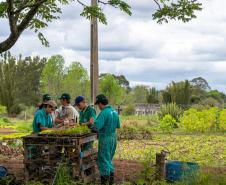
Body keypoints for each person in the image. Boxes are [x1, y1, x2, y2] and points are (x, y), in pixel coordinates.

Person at [89, 94, 120, 185]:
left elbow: (96, 127)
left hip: (105, 139)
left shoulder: (104, 112)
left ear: (100, 103)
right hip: (113, 138)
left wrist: (91, 123)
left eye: (98, 104)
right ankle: (111, 182)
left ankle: (104, 183)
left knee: (103, 161)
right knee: (109, 160)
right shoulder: (114, 112)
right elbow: (118, 125)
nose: (98, 106)